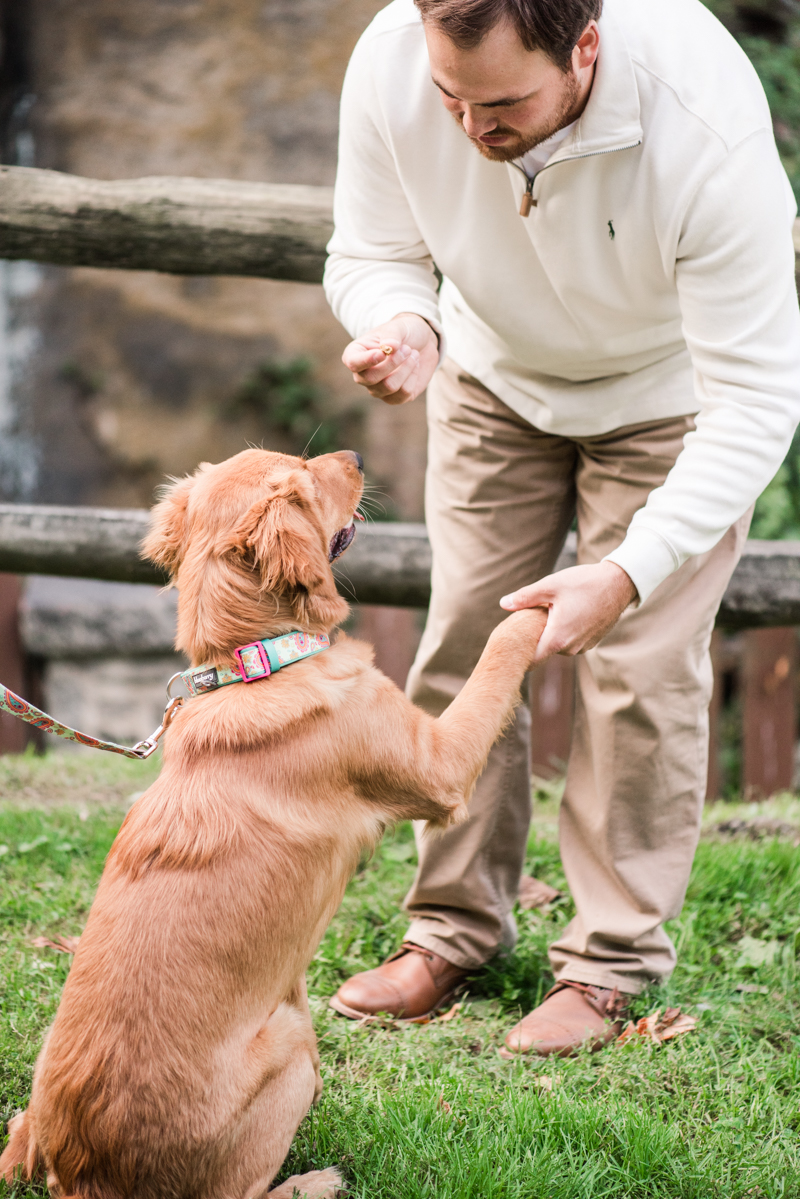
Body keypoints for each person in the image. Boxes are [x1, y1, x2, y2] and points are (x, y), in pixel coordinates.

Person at [322, 0, 800, 1056]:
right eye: (450, 97)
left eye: (499, 105)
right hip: (491, 378)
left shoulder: (704, 128)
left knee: (638, 664)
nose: (467, 127)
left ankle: (607, 963)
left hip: (668, 396)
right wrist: (398, 317)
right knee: (460, 637)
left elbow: (756, 403)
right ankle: (450, 928)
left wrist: (625, 570)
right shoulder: (396, 61)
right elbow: (371, 249)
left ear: (583, 47)